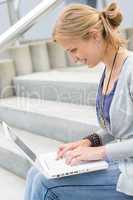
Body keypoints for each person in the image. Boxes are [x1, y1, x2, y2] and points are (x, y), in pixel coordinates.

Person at [24, 2, 133, 200]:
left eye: (73, 49)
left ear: (94, 35)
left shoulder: (131, 70)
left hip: (129, 175)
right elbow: (118, 129)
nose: (74, 58)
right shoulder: (108, 71)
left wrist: (99, 152)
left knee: (45, 185)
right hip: (122, 162)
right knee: (35, 172)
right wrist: (88, 142)